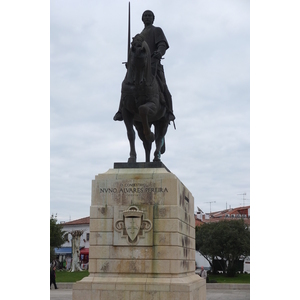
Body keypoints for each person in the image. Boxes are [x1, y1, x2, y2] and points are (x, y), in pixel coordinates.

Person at [114, 10, 175, 122]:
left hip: (153, 64)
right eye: (145, 16)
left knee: (162, 85)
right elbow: (134, 51)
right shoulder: (139, 36)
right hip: (138, 66)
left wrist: (159, 53)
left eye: (149, 16)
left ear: (153, 18)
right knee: (126, 83)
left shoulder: (156, 30)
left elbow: (162, 44)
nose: (147, 17)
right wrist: (130, 61)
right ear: (142, 19)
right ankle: (121, 110)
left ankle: (170, 111)